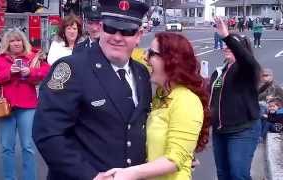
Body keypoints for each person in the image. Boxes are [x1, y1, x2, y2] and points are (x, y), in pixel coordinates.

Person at [32, 1, 151, 180]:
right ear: (101, 28)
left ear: (139, 35)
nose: (117, 37)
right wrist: (90, 176)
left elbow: (140, 128)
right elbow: (48, 133)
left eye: (127, 31)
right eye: (111, 29)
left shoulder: (142, 73)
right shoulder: (71, 68)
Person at [103, 32, 210, 180]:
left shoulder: (186, 101)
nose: (145, 57)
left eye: (152, 53)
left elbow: (174, 160)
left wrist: (128, 173)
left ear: (171, 60)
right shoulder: (160, 96)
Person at [0, 28, 50, 180]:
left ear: (24, 41)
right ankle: (10, 178)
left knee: (28, 146)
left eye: (19, 40)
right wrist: (10, 71)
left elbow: (47, 72)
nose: (16, 43)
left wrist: (30, 72)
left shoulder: (34, 56)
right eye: (12, 41)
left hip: (27, 106)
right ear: (7, 44)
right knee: (6, 147)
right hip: (6, 107)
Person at [210, 17, 261, 180]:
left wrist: (227, 36)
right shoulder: (219, 71)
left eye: (231, 45)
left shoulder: (247, 69)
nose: (226, 47)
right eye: (225, 45)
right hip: (220, 130)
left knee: (238, 175)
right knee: (223, 174)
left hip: (242, 130)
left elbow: (246, 59)